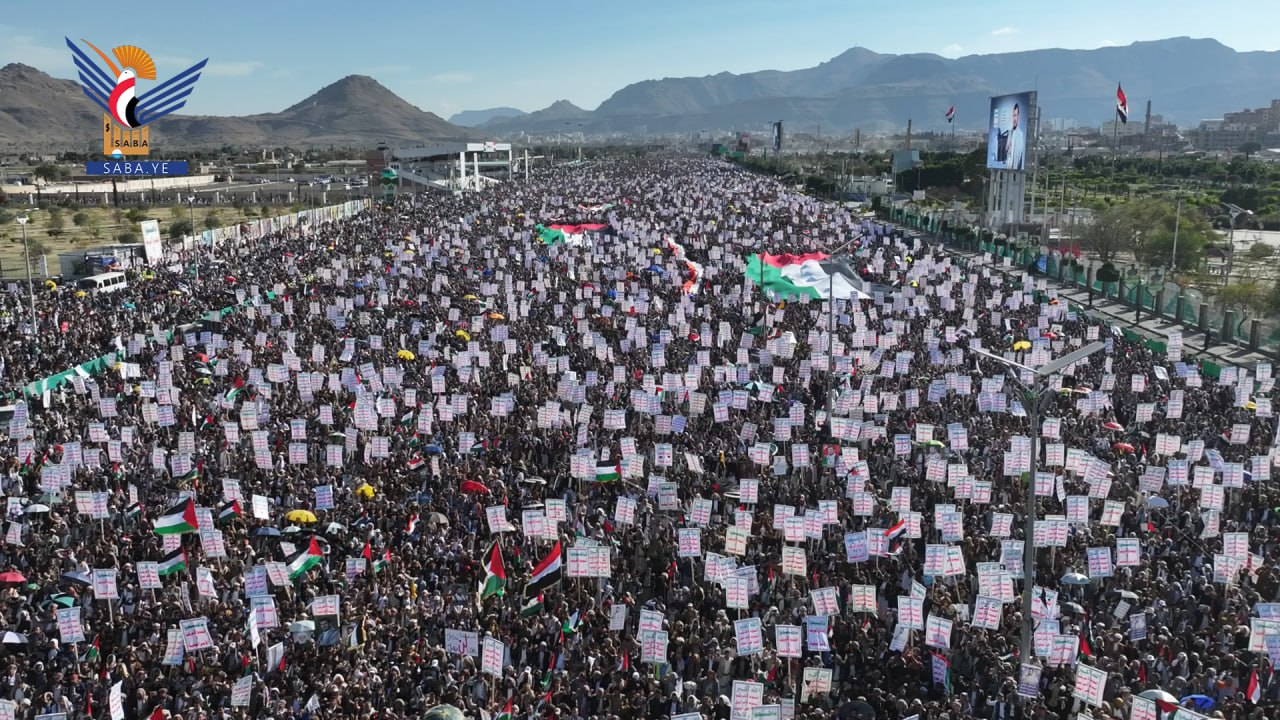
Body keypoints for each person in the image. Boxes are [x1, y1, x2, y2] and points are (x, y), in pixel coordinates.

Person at [1005, 102, 1026, 170]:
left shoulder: (1021, 134)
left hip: (1016, 167)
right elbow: (1006, 151)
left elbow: (1021, 156)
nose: (1014, 118)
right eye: (1013, 115)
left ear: (1018, 116)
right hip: (1008, 165)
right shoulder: (1010, 133)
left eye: (1015, 115)